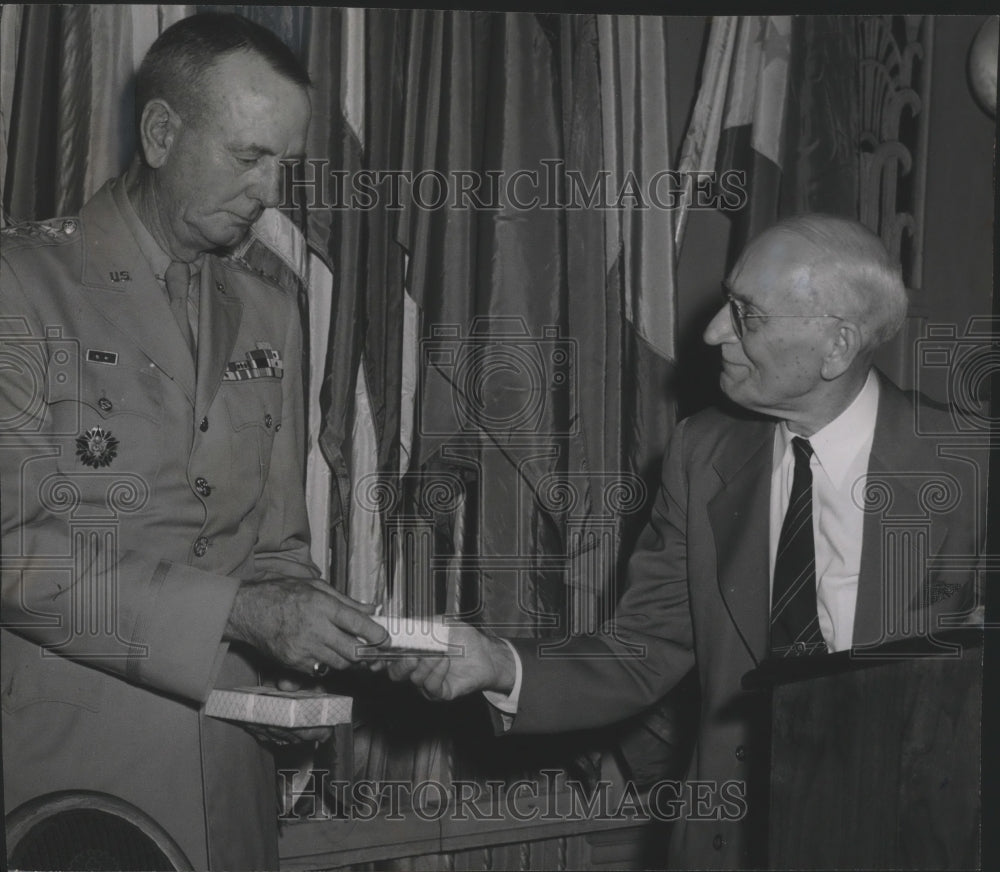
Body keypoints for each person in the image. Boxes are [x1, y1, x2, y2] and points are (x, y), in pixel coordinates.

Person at [388, 215, 983, 869]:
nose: (713, 331)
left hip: (915, 839)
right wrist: (501, 663)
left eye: (746, 315)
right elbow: (644, 650)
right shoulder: (705, 453)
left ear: (836, 346)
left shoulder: (971, 465)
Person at [0, 13, 386, 870]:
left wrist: (303, 646)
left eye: (283, 163)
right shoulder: (21, 287)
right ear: (163, 133)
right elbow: (17, 554)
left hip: (234, 783)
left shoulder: (269, 307)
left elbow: (275, 544)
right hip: (76, 788)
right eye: (248, 157)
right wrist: (240, 614)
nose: (269, 191)